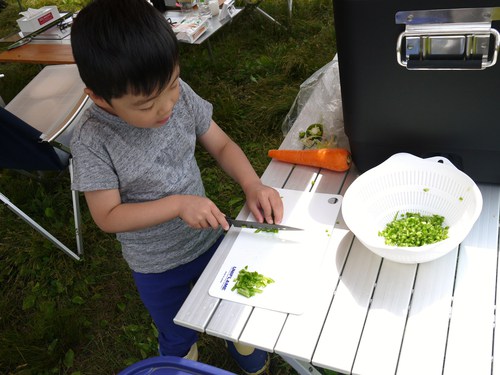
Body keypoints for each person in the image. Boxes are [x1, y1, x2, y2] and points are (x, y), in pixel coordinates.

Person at [69, 0, 283, 373]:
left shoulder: (177, 92)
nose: (166, 105)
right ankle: (185, 361)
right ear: (99, 98)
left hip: (210, 239)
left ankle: (245, 349)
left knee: (234, 305)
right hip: (157, 267)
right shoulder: (92, 140)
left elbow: (221, 144)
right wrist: (178, 204)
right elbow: (107, 215)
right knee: (177, 330)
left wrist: (252, 183)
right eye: (146, 103)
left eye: (171, 84)